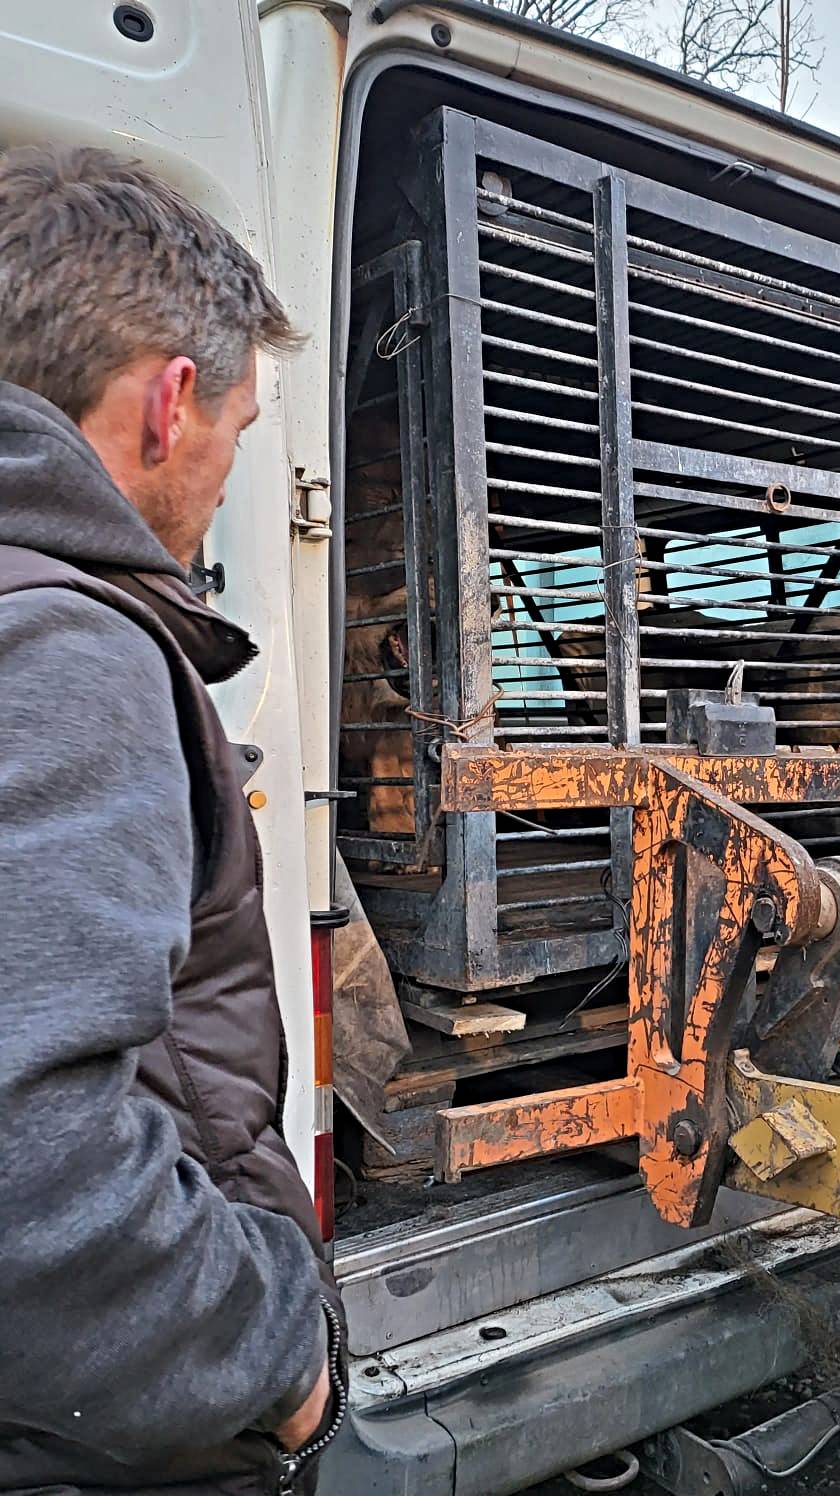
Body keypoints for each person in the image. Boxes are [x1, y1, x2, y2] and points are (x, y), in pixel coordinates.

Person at [0, 146, 343, 1492]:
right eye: (241, 440)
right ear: (170, 402)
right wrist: (276, 1357)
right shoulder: (65, 650)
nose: (220, 485)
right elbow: (31, 1176)